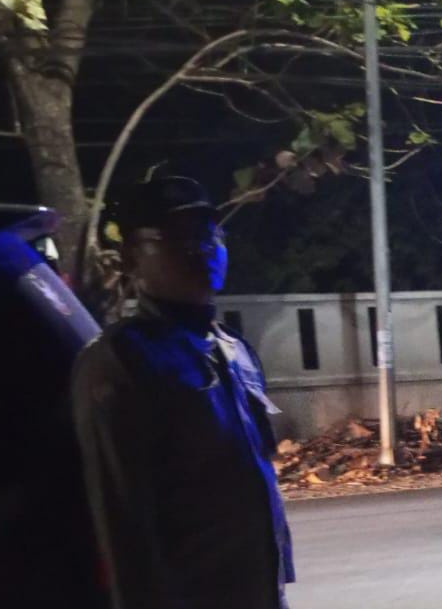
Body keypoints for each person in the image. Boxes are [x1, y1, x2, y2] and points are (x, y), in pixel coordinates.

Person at [72, 177, 295, 609]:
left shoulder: (233, 350)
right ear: (131, 258)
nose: (202, 249)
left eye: (211, 235)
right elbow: (121, 520)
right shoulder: (121, 362)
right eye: (178, 238)